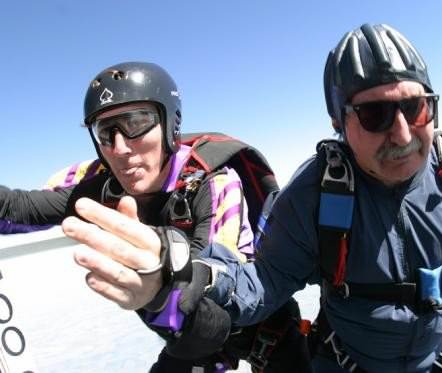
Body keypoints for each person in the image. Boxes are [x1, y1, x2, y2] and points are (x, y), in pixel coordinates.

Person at [136, 23, 442, 371]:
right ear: (339, 122)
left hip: (441, 361)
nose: (403, 133)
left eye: (417, 108)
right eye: (375, 115)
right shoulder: (316, 195)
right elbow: (263, 283)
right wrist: (186, 276)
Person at [0, 61, 310, 372]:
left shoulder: (211, 182)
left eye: (136, 123)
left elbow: (220, 286)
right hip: (189, 338)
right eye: (106, 132)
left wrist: (166, 282)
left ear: (170, 125)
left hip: (263, 332)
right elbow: (17, 208)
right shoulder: (105, 186)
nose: (120, 147)